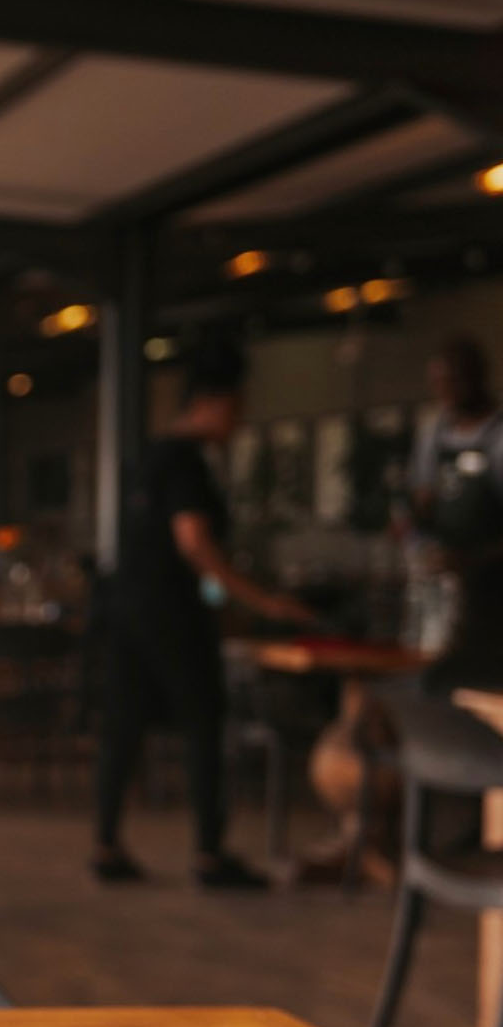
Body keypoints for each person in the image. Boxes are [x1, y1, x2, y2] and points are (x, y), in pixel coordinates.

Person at [94, 338, 314, 890]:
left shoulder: (150, 455)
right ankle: (209, 855)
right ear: (217, 402)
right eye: (238, 410)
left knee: (122, 729)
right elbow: (194, 543)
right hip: (171, 612)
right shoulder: (188, 462)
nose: (237, 423)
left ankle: (105, 845)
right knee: (204, 725)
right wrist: (261, 600)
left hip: (125, 608)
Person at [407, 333, 503, 690]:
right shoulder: (434, 435)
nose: (444, 392)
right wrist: (418, 539)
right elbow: (422, 502)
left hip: (493, 594)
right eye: (437, 384)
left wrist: (472, 559)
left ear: (477, 377)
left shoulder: (499, 437)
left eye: (452, 382)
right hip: (446, 593)